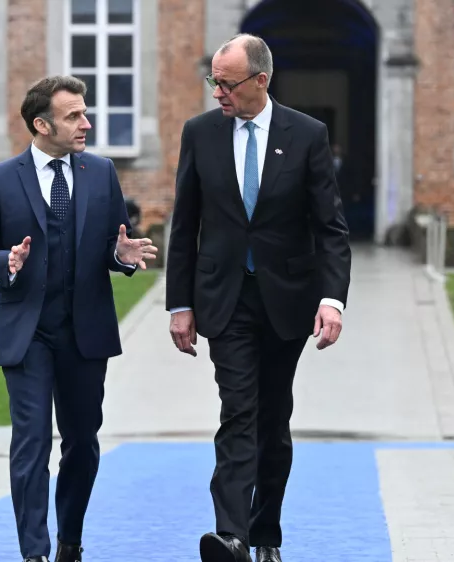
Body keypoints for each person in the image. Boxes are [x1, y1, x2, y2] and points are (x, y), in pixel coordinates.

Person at [166, 34, 352, 562]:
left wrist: (332, 300)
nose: (217, 92)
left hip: (288, 300)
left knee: (273, 420)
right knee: (237, 412)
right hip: (225, 300)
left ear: (260, 81)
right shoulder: (200, 134)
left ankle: (265, 531)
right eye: (213, 82)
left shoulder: (307, 135)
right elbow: (187, 225)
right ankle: (231, 535)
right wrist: (179, 304)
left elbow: (331, 228)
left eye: (226, 83)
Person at [0, 75, 157, 562]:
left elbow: (114, 245)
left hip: (85, 331)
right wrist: (4, 263)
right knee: (30, 443)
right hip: (27, 332)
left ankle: (70, 541)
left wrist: (123, 255)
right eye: (73, 116)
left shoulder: (101, 173)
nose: (85, 123)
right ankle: (34, 553)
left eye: (84, 113)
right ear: (41, 124)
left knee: (82, 441)